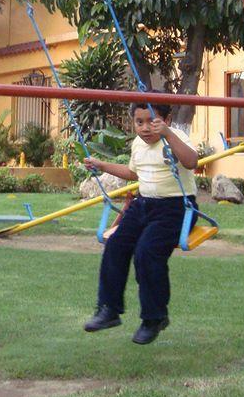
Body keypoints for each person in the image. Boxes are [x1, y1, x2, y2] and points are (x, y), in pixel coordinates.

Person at [82, 101, 198, 344]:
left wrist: (167, 134)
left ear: (166, 119)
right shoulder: (138, 144)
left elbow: (191, 162)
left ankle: (154, 318)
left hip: (176, 207)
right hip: (144, 204)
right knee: (115, 245)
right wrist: (102, 165)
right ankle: (109, 309)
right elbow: (133, 173)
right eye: (139, 122)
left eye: (152, 121)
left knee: (146, 252)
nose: (145, 128)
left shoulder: (175, 137)